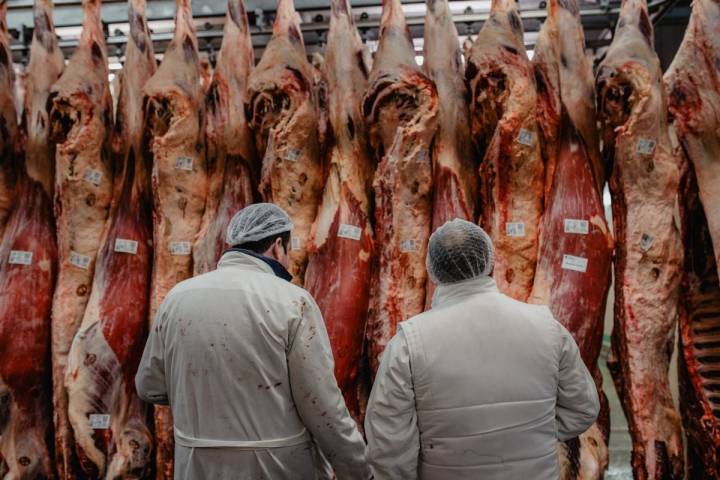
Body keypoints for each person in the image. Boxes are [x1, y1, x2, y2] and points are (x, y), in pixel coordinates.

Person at [135, 203, 371, 480]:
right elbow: (321, 405)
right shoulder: (291, 300)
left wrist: (205, 395)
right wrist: (358, 470)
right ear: (277, 246)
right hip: (275, 466)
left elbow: (148, 386)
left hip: (196, 464)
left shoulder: (178, 296)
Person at [364, 218, 600, 479]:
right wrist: (532, 432)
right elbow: (584, 407)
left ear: (433, 271)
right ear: (491, 264)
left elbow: (388, 443)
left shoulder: (409, 342)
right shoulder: (547, 327)